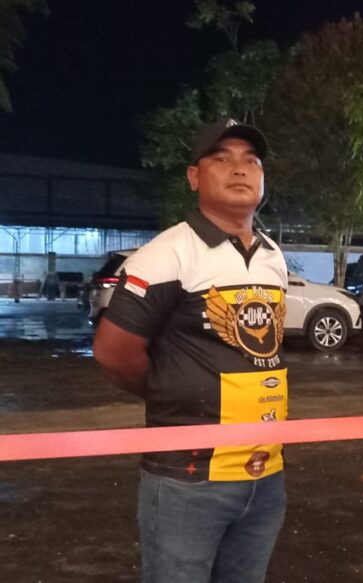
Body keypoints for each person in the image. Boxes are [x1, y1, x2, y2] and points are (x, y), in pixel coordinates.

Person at [93, 119, 288, 583]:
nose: (239, 168)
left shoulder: (272, 255)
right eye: (221, 158)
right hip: (188, 477)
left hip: (266, 472)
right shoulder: (167, 254)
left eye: (251, 160)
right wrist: (170, 393)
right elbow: (113, 352)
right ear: (194, 177)